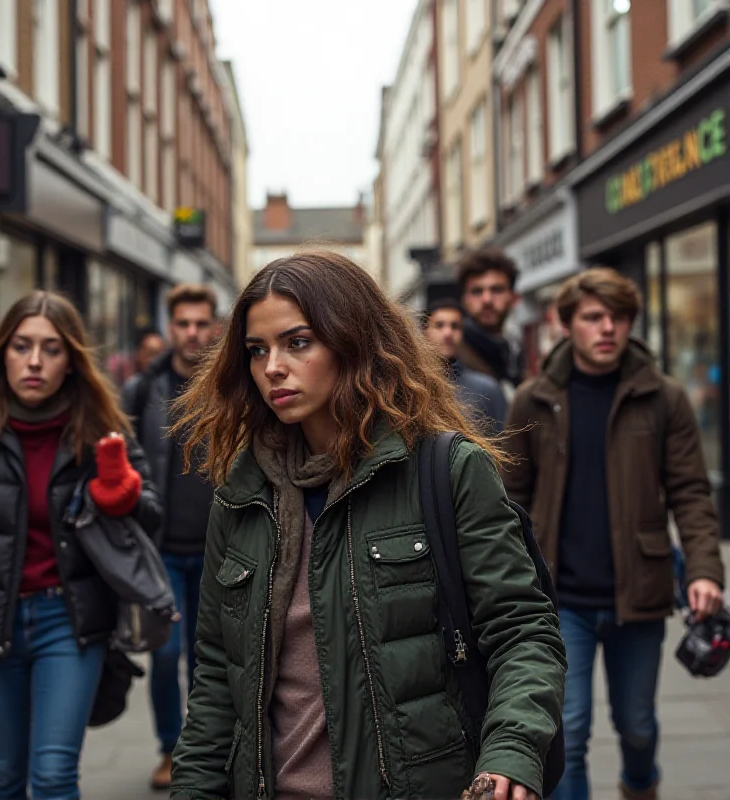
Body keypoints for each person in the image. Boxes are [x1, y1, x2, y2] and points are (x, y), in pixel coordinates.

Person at [168, 251, 566, 800]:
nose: (273, 367)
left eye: (298, 342)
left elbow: (522, 629)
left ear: (352, 341)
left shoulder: (447, 470)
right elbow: (216, 681)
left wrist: (512, 751)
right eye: (257, 350)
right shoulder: (241, 497)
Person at [501, 268, 725, 800]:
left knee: (638, 726)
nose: (608, 328)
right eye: (594, 317)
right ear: (565, 324)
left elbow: (691, 492)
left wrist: (704, 571)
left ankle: (639, 785)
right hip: (559, 598)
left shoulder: (663, 398)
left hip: (639, 595)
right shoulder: (534, 400)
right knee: (568, 733)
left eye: (619, 318)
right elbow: (510, 501)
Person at [0, 290, 161, 800]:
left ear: (72, 361)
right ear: (1, 353)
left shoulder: (100, 429)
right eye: (21, 346)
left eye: (52, 349)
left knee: (55, 775)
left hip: (69, 622)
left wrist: (118, 492)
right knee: (3, 779)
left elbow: (150, 512)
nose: (34, 361)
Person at [121, 284, 219, 791]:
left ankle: (206, 753)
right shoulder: (143, 389)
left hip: (219, 551)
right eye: (183, 323)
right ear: (170, 326)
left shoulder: (230, 386)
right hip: (159, 550)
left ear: (214, 327)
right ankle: (169, 747)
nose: (192, 334)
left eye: (201, 324)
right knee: (162, 655)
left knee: (209, 660)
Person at [424, 298, 507, 433]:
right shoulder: (413, 388)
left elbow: (504, 445)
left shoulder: (487, 389)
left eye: (455, 326)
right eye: (439, 325)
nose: (448, 333)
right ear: (425, 331)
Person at [457, 248, 524, 398]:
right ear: (465, 300)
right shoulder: (451, 360)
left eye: (497, 290)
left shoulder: (515, 352)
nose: (487, 300)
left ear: (514, 298)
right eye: (477, 291)